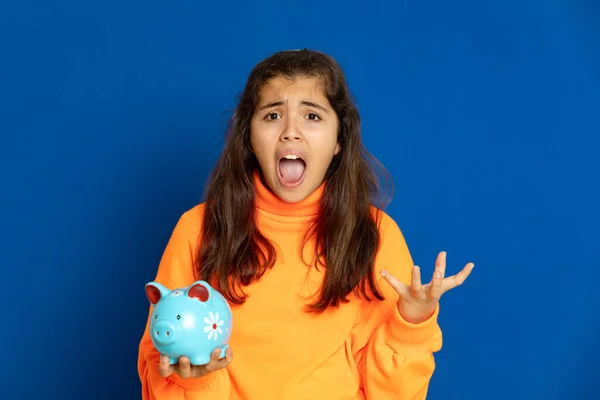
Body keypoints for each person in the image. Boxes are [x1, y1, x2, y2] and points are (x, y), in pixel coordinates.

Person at [137, 49, 474, 399]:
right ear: (249, 139)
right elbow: (158, 363)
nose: (290, 133)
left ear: (339, 141)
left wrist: (412, 324)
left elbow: (393, 394)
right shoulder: (199, 229)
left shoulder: (373, 235)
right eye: (272, 116)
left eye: (312, 116)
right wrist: (195, 380)